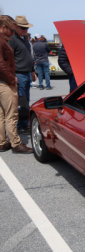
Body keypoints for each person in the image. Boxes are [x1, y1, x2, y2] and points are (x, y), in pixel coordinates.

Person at [0, 15, 33, 153]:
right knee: (11, 114)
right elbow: (1, 64)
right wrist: (12, 79)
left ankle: (2, 142)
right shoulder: (3, 41)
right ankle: (16, 144)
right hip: (6, 81)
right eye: (12, 30)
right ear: (3, 28)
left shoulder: (6, 40)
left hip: (5, 79)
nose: (12, 34)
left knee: (1, 113)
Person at [8, 15, 36, 133]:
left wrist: (32, 71)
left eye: (27, 28)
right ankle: (21, 125)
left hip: (27, 73)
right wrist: (13, 75)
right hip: (18, 74)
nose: (26, 30)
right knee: (21, 101)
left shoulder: (24, 39)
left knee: (26, 100)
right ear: (16, 28)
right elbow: (9, 59)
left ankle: (24, 123)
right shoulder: (12, 40)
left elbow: (28, 57)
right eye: (23, 28)